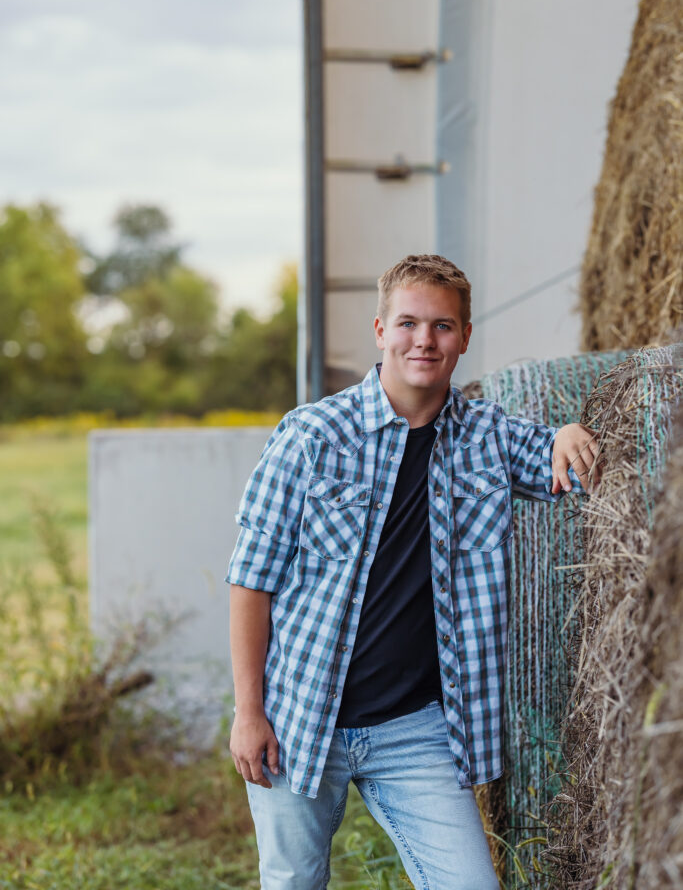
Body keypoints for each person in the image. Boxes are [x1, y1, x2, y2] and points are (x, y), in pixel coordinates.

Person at [227, 254, 598, 890]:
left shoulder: (488, 437)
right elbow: (251, 579)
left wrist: (569, 431)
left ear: (465, 337)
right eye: (408, 323)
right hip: (300, 716)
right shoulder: (311, 436)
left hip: (417, 729)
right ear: (380, 331)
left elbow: (561, 464)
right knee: (292, 882)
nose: (424, 340)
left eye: (443, 326)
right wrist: (248, 710)